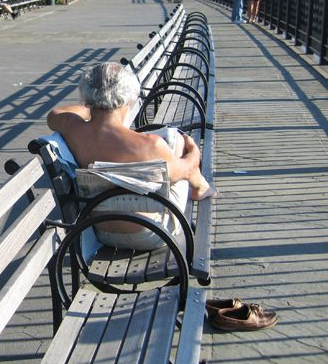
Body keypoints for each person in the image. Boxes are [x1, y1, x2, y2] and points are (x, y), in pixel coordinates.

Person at [47, 62, 217, 250]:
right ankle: (201, 187)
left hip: (101, 232)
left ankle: (200, 185)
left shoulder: (73, 129)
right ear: (127, 98)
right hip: (152, 233)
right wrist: (193, 148)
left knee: (171, 153)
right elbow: (188, 169)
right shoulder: (150, 145)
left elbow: (55, 113)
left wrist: (96, 103)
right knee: (177, 142)